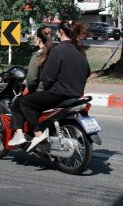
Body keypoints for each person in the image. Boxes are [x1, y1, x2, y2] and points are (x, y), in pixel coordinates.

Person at [20, 20, 91, 152]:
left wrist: (47, 87)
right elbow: (87, 72)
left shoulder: (58, 50)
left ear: (61, 32)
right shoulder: (80, 51)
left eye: (58, 31)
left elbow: (47, 78)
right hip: (76, 94)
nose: (57, 34)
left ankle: (38, 132)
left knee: (25, 102)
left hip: (58, 95)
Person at [8, 27, 52, 148]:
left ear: (39, 39)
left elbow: (32, 80)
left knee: (16, 105)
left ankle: (20, 135)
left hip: (39, 92)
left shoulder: (37, 56)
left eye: (35, 37)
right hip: (53, 91)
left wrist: (26, 85)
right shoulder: (53, 54)